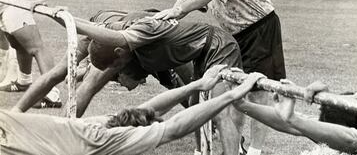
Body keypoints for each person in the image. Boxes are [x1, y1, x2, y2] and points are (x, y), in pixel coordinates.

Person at [13, 9, 244, 155]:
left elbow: (165, 116)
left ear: (120, 55)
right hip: (140, 37)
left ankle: (232, 146)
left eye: (115, 70)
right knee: (195, 100)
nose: (116, 77)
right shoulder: (98, 37)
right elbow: (62, 75)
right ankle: (201, 149)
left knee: (214, 108)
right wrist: (19, 114)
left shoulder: (141, 31)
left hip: (213, 46)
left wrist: (68, 20)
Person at [153, 0, 286, 155]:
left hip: (260, 30)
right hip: (234, 36)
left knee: (258, 92)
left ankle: (255, 151)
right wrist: (166, 19)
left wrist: (178, 12)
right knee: (234, 92)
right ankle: (235, 147)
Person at [1, 65, 265, 155]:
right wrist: (233, 94)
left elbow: (146, 108)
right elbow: (173, 128)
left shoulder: (103, 122)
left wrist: (195, 85)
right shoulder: (109, 140)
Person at [11, 9, 192, 116]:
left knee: (186, 86)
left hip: (109, 25)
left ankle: (18, 116)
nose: (127, 87)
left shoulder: (160, 46)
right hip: (108, 31)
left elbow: (184, 89)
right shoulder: (125, 49)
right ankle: (17, 116)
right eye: (121, 79)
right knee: (77, 78)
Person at [215, 66, 357, 154]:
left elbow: (351, 140)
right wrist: (243, 105)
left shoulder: (349, 138)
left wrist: (293, 119)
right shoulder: (335, 132)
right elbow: (288, 122)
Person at [0, 0, 60, 108]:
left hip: (12, 1)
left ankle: (52, 94)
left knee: (36, 47)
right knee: (17, 44)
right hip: (4, 3)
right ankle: (24, 81)